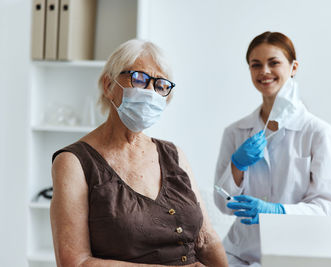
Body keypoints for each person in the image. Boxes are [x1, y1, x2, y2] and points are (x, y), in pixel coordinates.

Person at [50, 39, 228, 267]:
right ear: (108, 85)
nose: (150, 93)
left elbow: (206, 240)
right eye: (140, 79)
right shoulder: (73, 162)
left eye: (160, 86)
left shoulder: (173, 154)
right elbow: (74, 262)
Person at [213, 31, 331, 266]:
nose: (264, 72)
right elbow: (223, 204)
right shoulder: (235, 131)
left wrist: (279, 211)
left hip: (294, 255)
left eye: (274, 63)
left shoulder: (318, 132)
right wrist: (236, 166)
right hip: (239, 253)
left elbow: (327, 207)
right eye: (256, 65)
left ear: (293, 67)